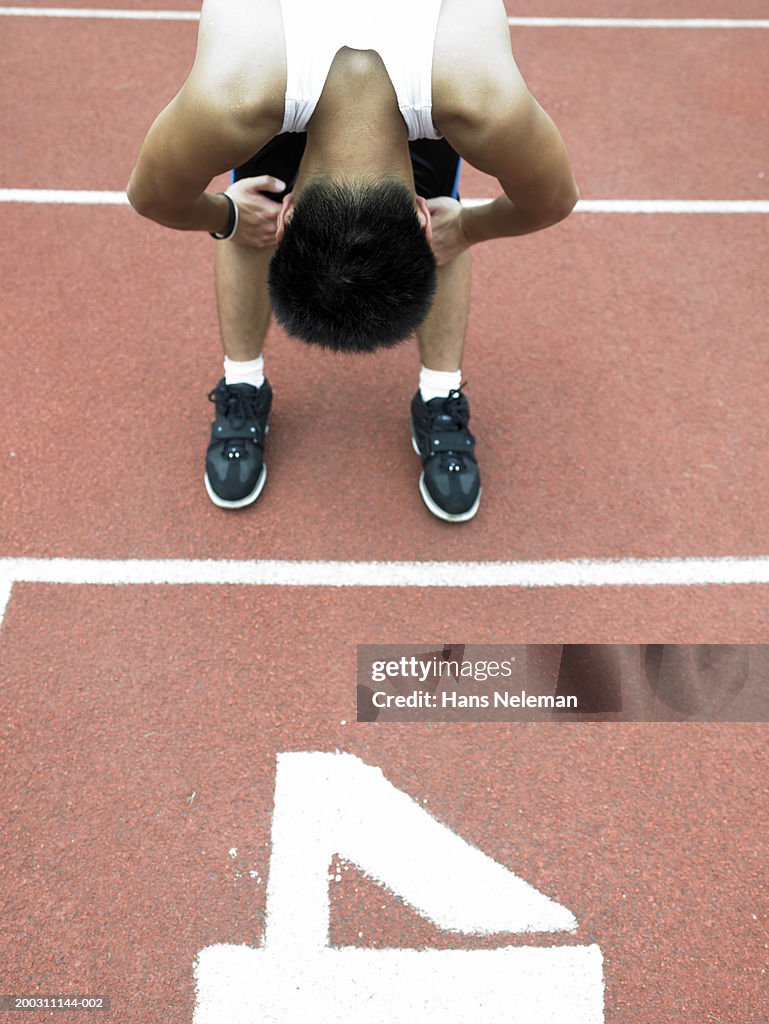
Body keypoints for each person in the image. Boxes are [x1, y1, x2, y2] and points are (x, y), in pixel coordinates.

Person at [127, 0, 578, 522]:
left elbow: (154, 196)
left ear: (287, 214)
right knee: (444, 218)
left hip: (314, 51)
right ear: (418, 215)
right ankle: (242, 381)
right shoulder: (479, 97)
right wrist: (468, 226)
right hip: (379, 55)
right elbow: (551, 199)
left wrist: (229, 214)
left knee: (261, 208)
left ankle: (440, 393)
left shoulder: (236, 94)